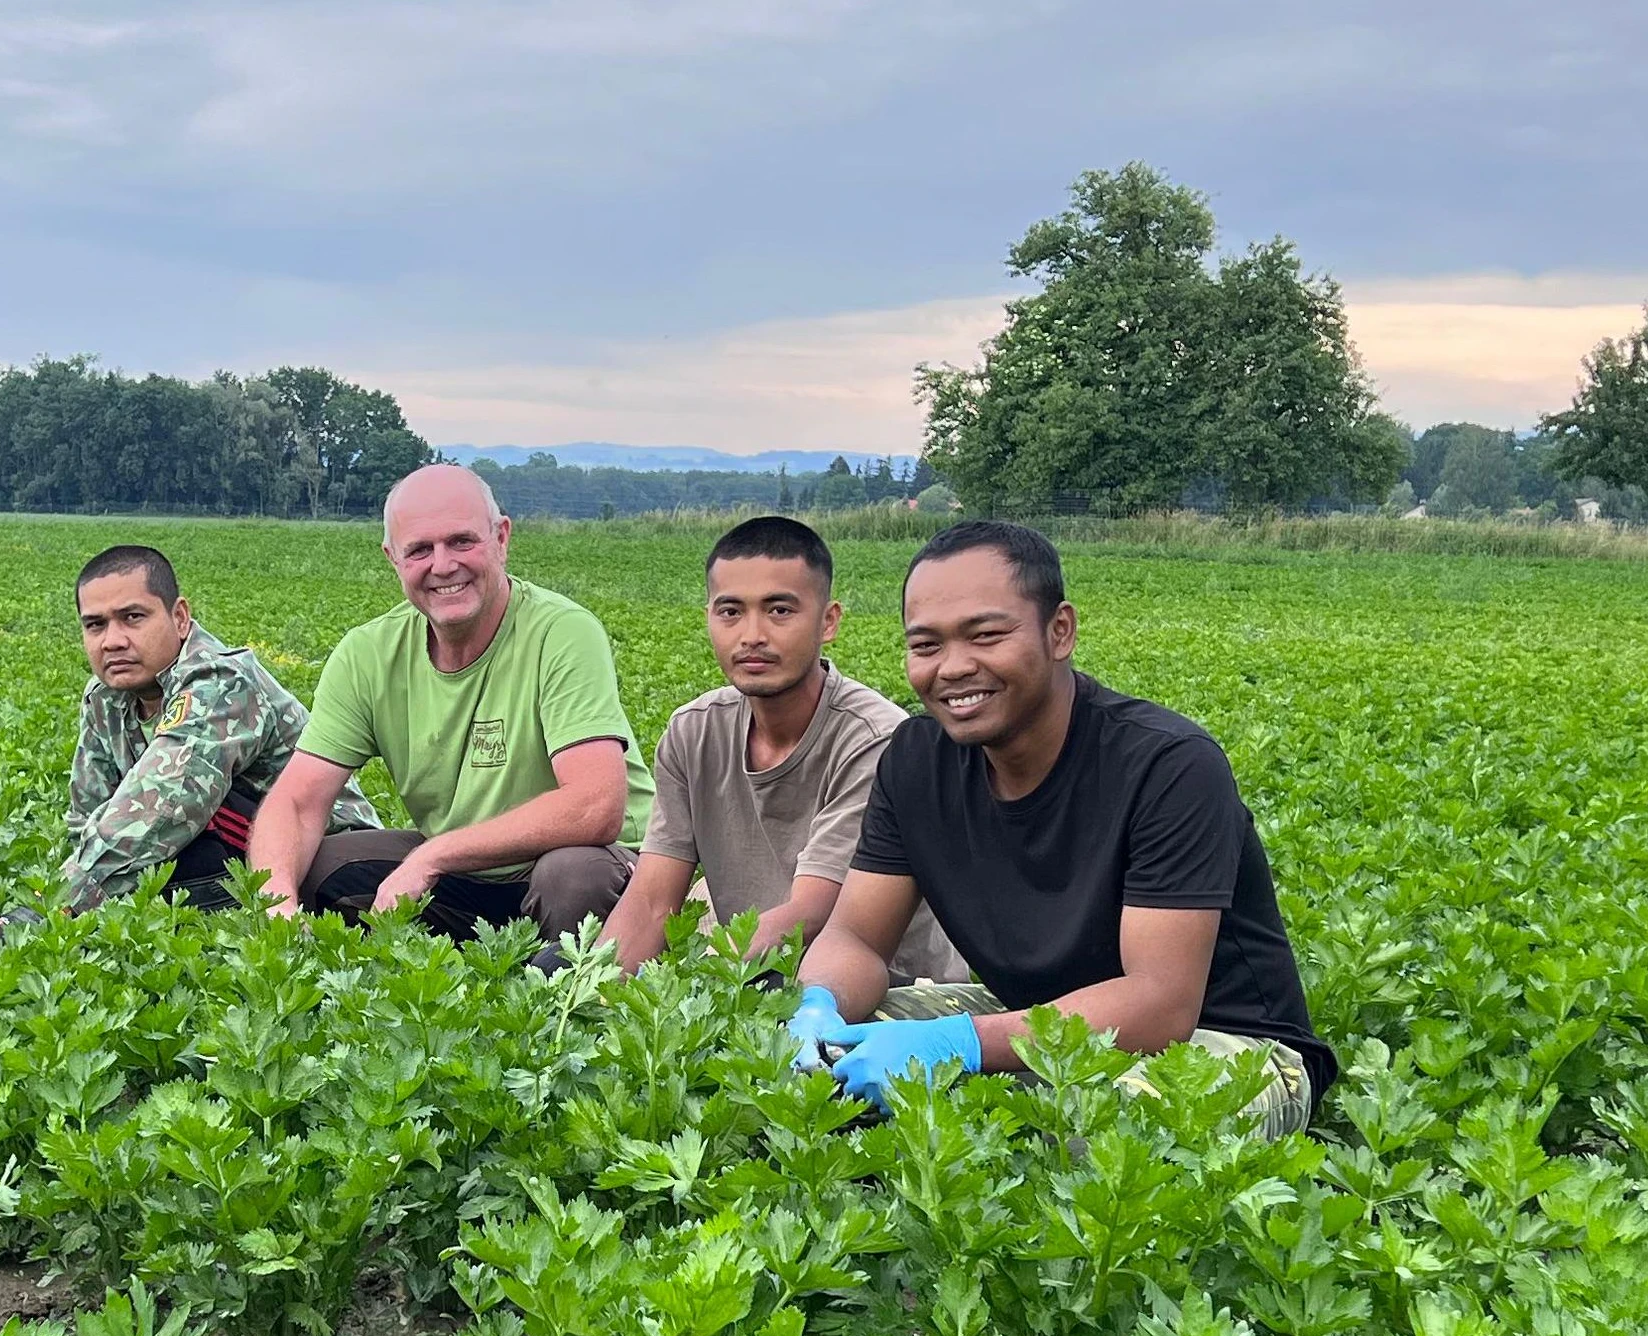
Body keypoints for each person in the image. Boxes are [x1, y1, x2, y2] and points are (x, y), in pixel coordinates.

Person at [791, 521, 1332, 1136]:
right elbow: (856, 938)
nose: (954, 668)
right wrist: (821, 1005)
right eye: (926, 645)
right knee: (803, 1071)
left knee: (1101, 1133)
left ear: (1060, 631)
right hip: (1026, 1016)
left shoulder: (1168, 764)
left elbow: (1160, 1004)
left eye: (986, 635)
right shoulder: (916, 761)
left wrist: (959, 1043)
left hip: (1216, 1043)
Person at [249, 464, 654, 944]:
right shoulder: (368, 655)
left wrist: (433, 855)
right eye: (419, 549)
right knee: (318, 867)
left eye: (462, 541)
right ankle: (481, 969)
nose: (442, 565)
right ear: (392, 559)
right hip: (464, 877)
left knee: (571, 877)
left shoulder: (561, 632)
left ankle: (566, 990)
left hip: (594, 862)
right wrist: (278, 907)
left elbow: (594, 806)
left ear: (501, 538)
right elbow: (296, 802)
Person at [603, 516, 966, 982]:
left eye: (779, 611)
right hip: (751, 964)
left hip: (885, 988)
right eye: (730, 611)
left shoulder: (877, 739)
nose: (752, 634)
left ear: (828, 621)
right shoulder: (693, 731)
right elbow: (653, 900)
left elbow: (812, 911)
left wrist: (703, 978)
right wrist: (592, 990)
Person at [61, 544, 378, 913]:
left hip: (332, 864)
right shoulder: (105, 698)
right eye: (95, 625)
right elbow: (87, 815)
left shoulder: (221, 681)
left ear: (179, 617)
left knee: (179, 828)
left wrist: (56, 905)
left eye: (133, 617)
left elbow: (165, 803)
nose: (112, 640)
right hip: (247, 859)